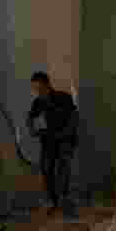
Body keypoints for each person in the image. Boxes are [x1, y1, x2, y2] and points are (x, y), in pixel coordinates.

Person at [26, 71, 79, 216]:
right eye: (35, 89)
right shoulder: (37, 103)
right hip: (48, 143)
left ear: (47, 84)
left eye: (39, 88)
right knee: (46, 170)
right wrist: (32, 128)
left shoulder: (64, 98)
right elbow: (30, 121)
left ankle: (65, 202)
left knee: (63, 172)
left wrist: (67, 135)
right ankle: (54, 203)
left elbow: (74, 118)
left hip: (65, 141)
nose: (37, 91)